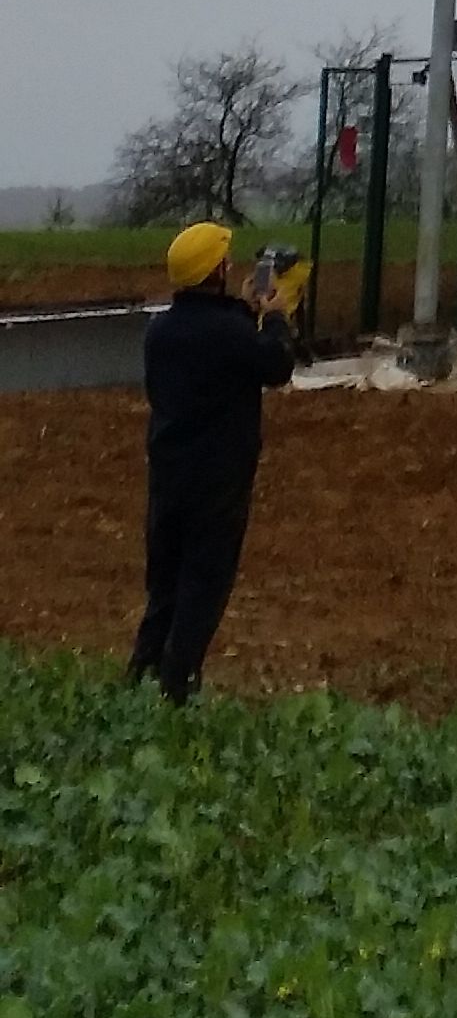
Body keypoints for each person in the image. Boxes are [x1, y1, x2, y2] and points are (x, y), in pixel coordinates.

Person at [129, 221, 296, 704]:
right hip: (218, 483)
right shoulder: (231, 333)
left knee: (164, 588)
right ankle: (177, 688)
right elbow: (277, 366)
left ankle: (138, 681)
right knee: (202, 587)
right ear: (218, 271)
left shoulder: (160, 332)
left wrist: (243, 310)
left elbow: (214, 343)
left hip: (168, 475)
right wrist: (275, 317)